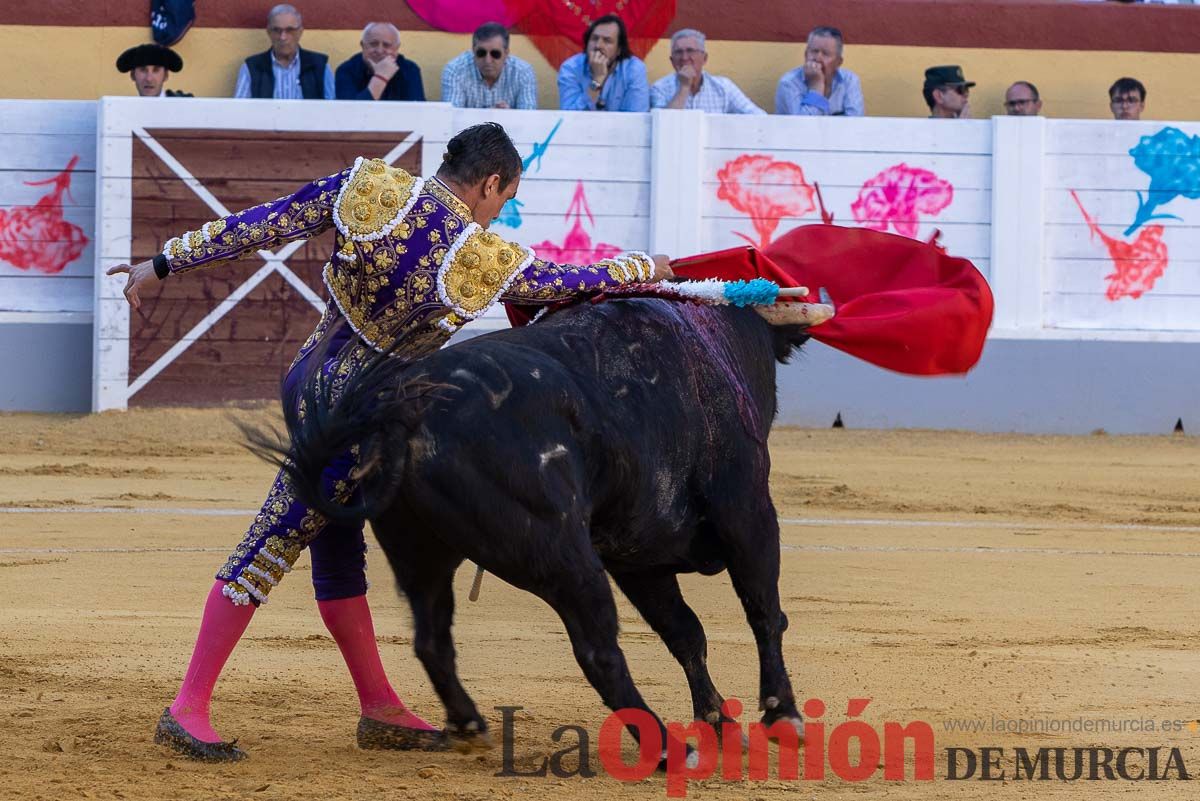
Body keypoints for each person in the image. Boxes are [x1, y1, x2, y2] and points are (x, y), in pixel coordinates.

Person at [107, 122, 672, 762]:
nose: (500, 212)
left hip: (307, 377)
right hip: (357, 412)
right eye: (504, 197)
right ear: (489, 183)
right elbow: (570, 286)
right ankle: (189, 705)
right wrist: (638, 268)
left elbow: (263, 224)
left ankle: (378, 705)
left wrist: (161, 263)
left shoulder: (368, 185)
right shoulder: (480, 258)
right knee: (276, 536)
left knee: (336, 539)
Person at [649, 28, 764, 114]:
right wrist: (684, 87)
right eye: (678, 52)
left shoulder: (723, 87)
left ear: (704, 58)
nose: (684, 58)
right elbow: (665, 126)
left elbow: (758, 117)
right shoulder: (659, 89)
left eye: (690, 51)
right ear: (672, 60)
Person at [234, 4, 334, 99]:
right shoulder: (252, 68)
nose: (283, 37)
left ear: (300, 32)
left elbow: (333, 109)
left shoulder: (320, 66)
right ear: (268, 32)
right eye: (277, 30)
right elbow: (239, 110)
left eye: (290, 30)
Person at [557, 14, 649, 112]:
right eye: (594, 39)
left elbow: (637, 118)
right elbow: (570, 118)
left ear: (619, 49)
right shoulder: (570, 69)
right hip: (582, 127)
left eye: (607, 41)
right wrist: (597, 81)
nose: (598, 45)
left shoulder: (634, 69)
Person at [441, 22, 537, 109]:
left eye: (495, 54)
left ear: (506, 53)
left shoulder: (523, 72)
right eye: (481, 53)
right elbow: (452, 118)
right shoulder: (455, 70)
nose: (488, 60)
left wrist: (510, 116)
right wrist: (489, 117)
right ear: (473, 50)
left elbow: (529, 116)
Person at [775, 26, 863, 116]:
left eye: (826, 53)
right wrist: (816, 87)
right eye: (814, 51)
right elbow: (802, 127)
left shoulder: (849, 80)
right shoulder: (789, 83)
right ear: (805, 55)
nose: (817, 58)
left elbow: (855, 123)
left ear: (838, 62)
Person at [335, 22, 425, 101]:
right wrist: (381, 77)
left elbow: (416, 113)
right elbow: (351, 113)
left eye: (386, 45)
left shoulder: (410, 70)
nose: (379, 50)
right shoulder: (346, 70)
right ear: (363, 45)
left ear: (397, 48)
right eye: (373, 44)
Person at [116, 43, 192, 97]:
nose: (149, 79)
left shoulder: (184, 106)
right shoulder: (124, 111)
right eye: (143, 70)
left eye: (156, 70)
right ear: (132, 75)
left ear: (165, 75)